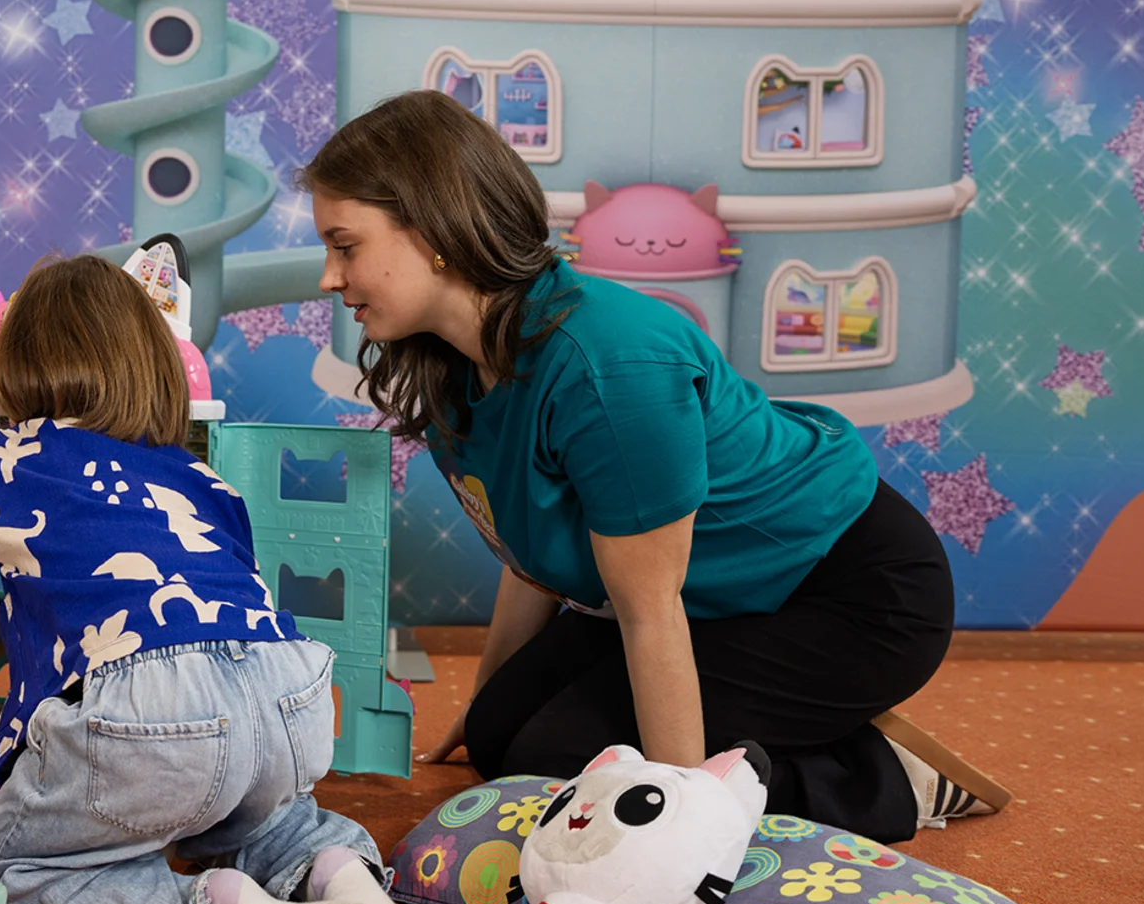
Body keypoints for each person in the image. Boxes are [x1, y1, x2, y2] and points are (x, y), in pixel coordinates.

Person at [302, 90, 1009, 845]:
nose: (328, 277)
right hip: (714, 599)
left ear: (434, 228)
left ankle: (884, 778)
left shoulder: (609, 361)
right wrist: (485, 714)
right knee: (508, 740)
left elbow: (652, 607)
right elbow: (529, 548)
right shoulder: (454, 367)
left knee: (561, 754)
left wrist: (677, 816)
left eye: (345, 245)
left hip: (849, 596)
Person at [0, 255, 425, 904]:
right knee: (270, 820)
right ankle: (344, 879)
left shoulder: (12, 456)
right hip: (287, 698)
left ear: (21, 369)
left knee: (10, 864)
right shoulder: (199, 475)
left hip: (153, 714)